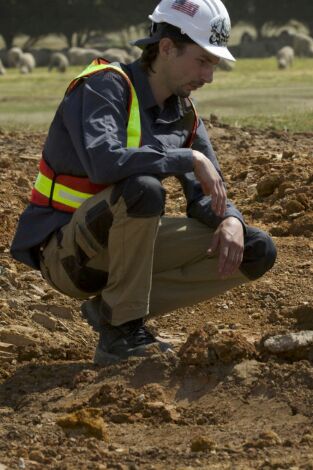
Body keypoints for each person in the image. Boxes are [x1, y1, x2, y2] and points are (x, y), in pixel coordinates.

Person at [11, 0, 276, 365]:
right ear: (166, 47)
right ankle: (122, 332)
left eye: (213, 65)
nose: (209, 76)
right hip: (67, 255)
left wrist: (230, 219)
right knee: (143, 189)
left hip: (122, 251)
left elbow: (204, 196)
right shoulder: (103, 87)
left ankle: (111, 311)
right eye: (202, 61)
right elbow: (105, 163)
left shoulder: (184, 113)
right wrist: (187, 158)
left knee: (254, 247)